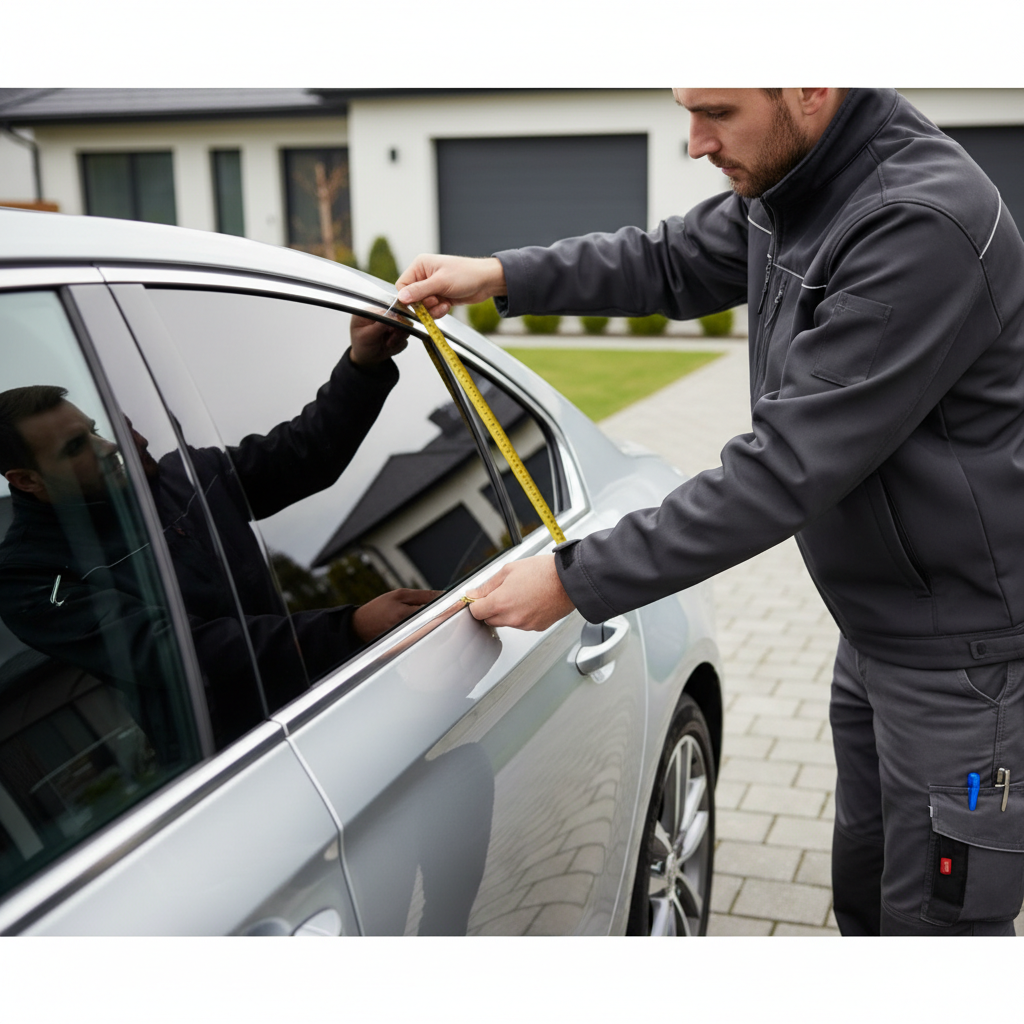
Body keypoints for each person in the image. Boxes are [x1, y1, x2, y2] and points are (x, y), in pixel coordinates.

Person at [395, 88, 1024, 936]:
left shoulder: (916, 223)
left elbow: (783, 473)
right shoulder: (796, 184)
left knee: (937, 930)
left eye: (719, 112)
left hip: (961, 662)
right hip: (877, 632)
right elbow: (666, 263)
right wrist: (501, 275)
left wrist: (576, 579)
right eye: (689, 108)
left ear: (809, 85)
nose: (695, 142)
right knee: (869, 902)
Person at [0, 315, 439, 746]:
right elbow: (176, 651)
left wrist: (362, 368)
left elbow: (304, 456)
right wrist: (348, 628)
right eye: (77, 447)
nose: (109, 446)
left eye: (94, 431)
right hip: (237, 766)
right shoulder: (31, 578)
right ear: (26, 480)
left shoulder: (184, 476)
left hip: (336, 701)